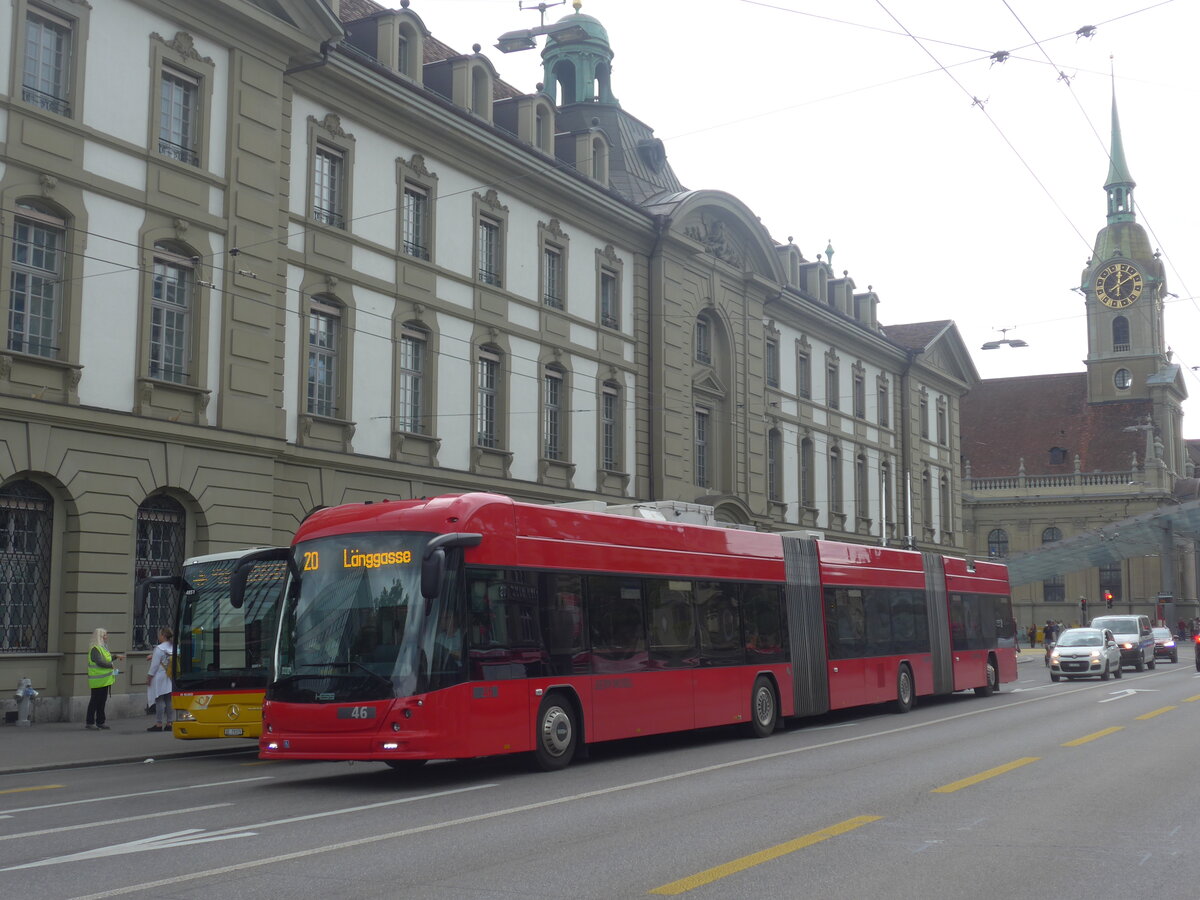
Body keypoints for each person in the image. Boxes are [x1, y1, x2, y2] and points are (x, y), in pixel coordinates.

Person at [86, 628, 125, 730]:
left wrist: (115, 656)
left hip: (104, 680)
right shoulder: (95, 649)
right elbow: (99, 662)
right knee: (95, 701)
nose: (107, 637)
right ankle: (90, 722)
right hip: (97, 680)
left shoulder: (103, 648)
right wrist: (111, 666)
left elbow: (107, 659)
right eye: (105, 635)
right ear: (100, 637)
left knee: (102, 701)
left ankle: (100, 721)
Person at [145, 627, 175, 732]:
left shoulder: (159, 648)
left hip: (160, 676)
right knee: (169, 700)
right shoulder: (174, 646)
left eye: (159, 634)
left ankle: (158, 724)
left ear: (163, 636)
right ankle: (169, 723)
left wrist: (149, 677)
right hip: (170, 675)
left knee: (159, 700)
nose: (158, 636)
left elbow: (155, 665)